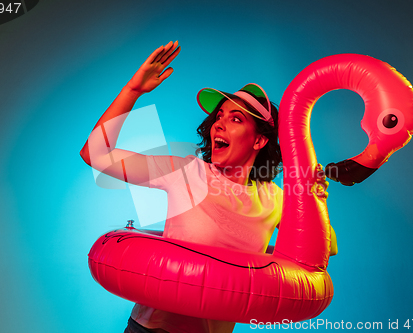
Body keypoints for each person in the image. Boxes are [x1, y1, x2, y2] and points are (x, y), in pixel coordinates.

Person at [80, 41, 334, 333]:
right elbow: (95, 155)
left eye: (235, 119)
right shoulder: (187, 172)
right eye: (218, 117)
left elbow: (318, 255)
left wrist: (314, 196)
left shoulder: (275, 199)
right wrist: (133, 91)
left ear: (259, 141)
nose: (219, 125)